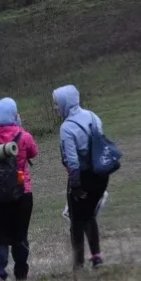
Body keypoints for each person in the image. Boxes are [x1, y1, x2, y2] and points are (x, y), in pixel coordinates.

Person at [0, 98, 38, 281]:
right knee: (20, 234)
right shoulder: (24, 137)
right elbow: (34, 153)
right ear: (14, 114)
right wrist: (20, 127)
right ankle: (21, 272)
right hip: (21, 192)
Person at [53, 85, 109, 270]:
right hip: (101, 176)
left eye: (57, 103)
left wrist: (75, 186)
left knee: (76, 222)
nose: (55, 107)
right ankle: (97, 257)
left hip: (83, 177)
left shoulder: (67, 127)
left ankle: (78, 264)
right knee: (89, 215)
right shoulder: (93, 116)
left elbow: (72, 161)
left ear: (66, 103)